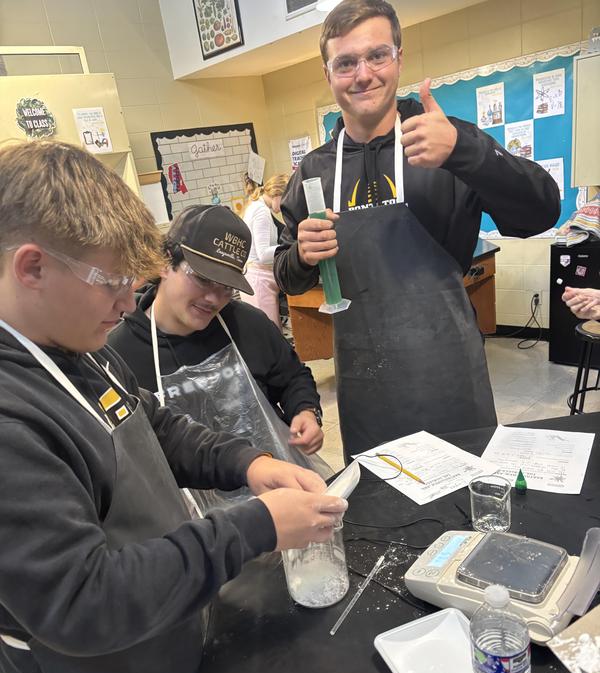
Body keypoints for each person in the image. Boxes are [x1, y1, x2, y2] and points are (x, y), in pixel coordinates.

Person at [0, 140, 346, 673]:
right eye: (111, 282)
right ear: (32, 267)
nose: (129, 303)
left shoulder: (73, 343)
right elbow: (84, 600)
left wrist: (249, 463)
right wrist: (252, 529)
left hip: (160, 628)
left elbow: (150, 423)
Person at [274, 0, 561, 461]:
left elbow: (541, 210)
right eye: (345, 63)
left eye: (376, 56)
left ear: (399, 59)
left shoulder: (448, 139)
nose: (362, 74)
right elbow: (287, 276)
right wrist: (302, 255)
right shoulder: (314, 171)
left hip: (450, 383)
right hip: (365, 392)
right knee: (382, 522)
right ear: (328, 75)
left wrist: (465, 151)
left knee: (465, 518)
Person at [108, 204, 324, 462]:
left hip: (277, 487)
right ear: (165, 262)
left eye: (226, 287)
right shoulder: (118, 356)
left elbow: (292, 377)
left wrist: (305, 411)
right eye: (201, 278)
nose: (213, 298)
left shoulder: (248, 325)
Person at [242, 174, 290, 329]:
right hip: (259, 279)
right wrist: (290, 247)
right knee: (270, 332)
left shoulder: (256, 206)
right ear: (277, 194)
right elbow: (263, 255)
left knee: (268, 331)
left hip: (257, 278)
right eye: (286, 199)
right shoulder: (261, 211)